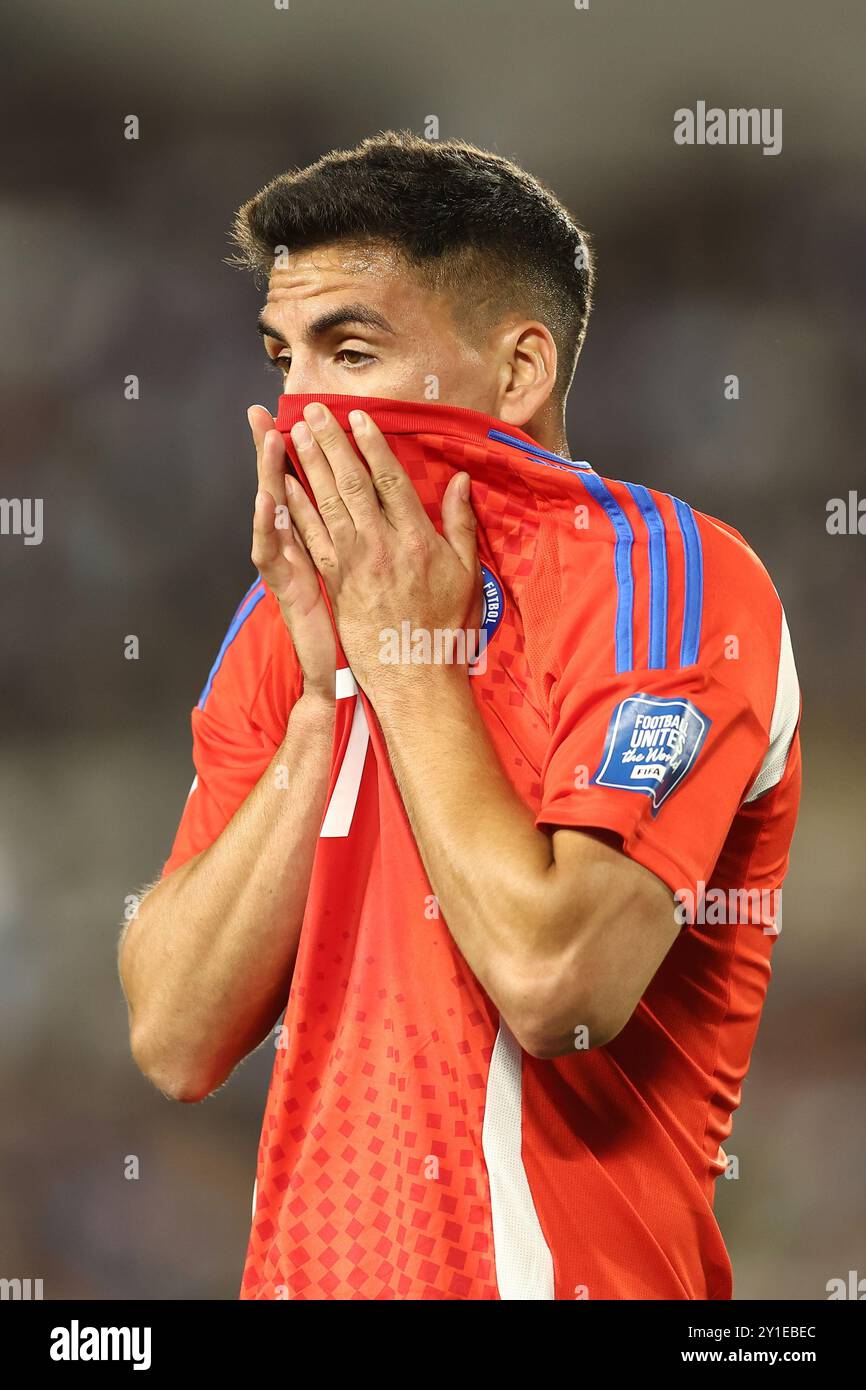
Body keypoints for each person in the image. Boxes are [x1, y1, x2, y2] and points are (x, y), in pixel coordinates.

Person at [118, 131, 802, 1300]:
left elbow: (556, 987)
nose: (298, 410)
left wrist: (407, 665)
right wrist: (328, 699)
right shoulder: (287, 620)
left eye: (350, 349)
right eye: (282, 357)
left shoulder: (669, 584)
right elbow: (175, 1035)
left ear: (517, 371)